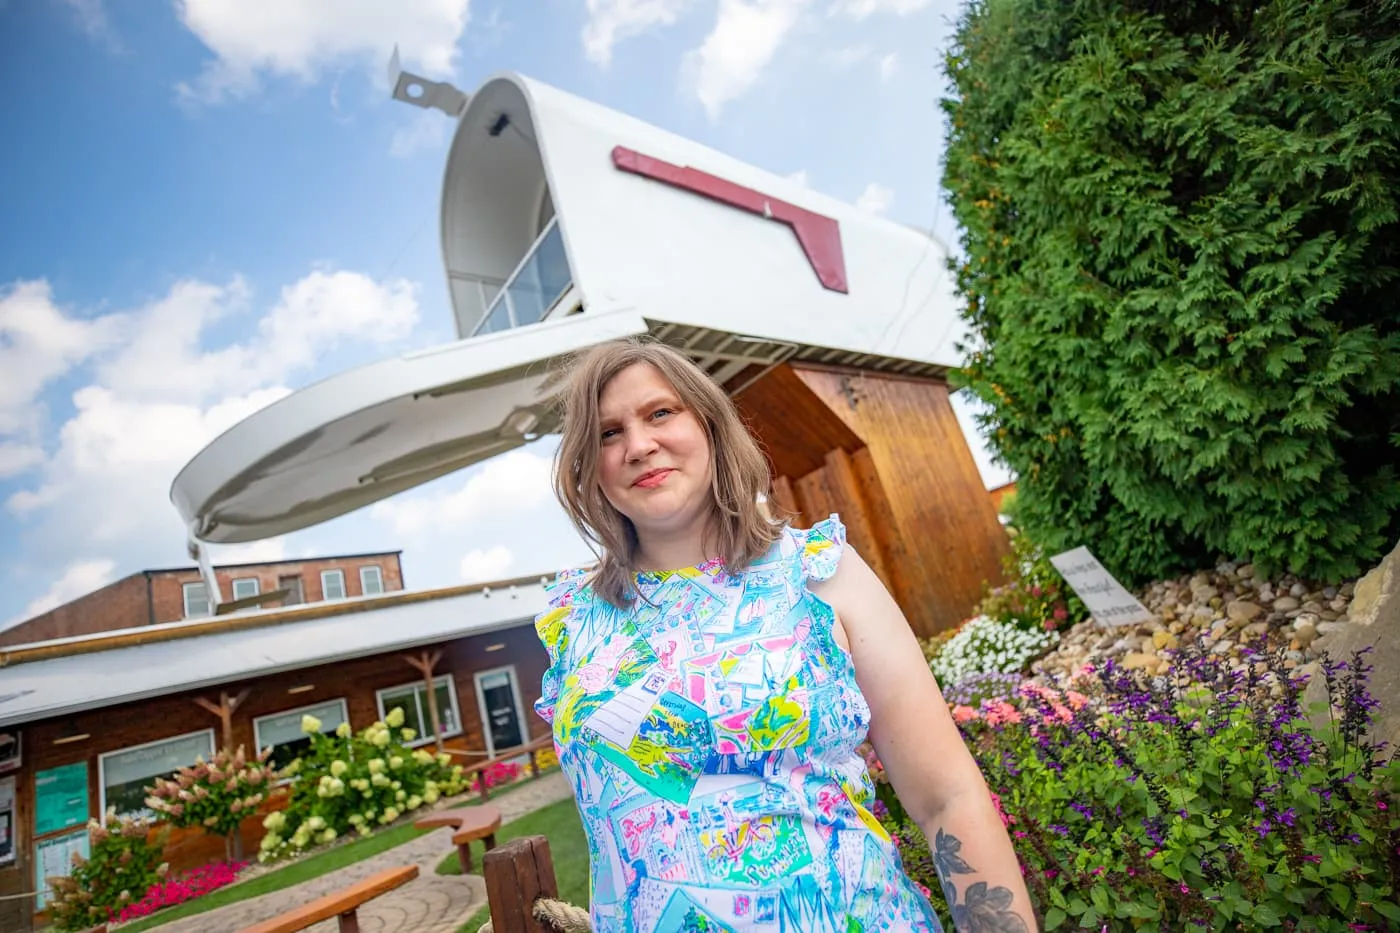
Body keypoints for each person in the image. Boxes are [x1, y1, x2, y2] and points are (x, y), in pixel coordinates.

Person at [534, 338, 1034, 933]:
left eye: (660, 413)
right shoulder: (572, 620)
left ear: (712, 425)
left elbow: (946, 796)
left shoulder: (823, 572)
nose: (639, 446)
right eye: (608, 433)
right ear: (588, 465)